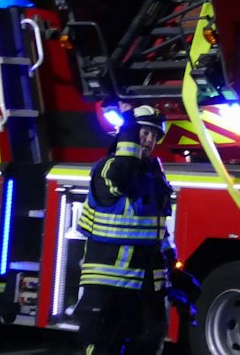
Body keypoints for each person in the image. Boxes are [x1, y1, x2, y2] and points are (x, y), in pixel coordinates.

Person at [74, 104, 176, 354]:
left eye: (154, 135)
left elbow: (157, 228)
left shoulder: (153, 174)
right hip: (108, 287)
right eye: (143, 132)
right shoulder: (108, 168)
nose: (149, 139)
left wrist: (173, 267)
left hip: (143, 287)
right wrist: (128, 127)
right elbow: (122, 175)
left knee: (148, 345)